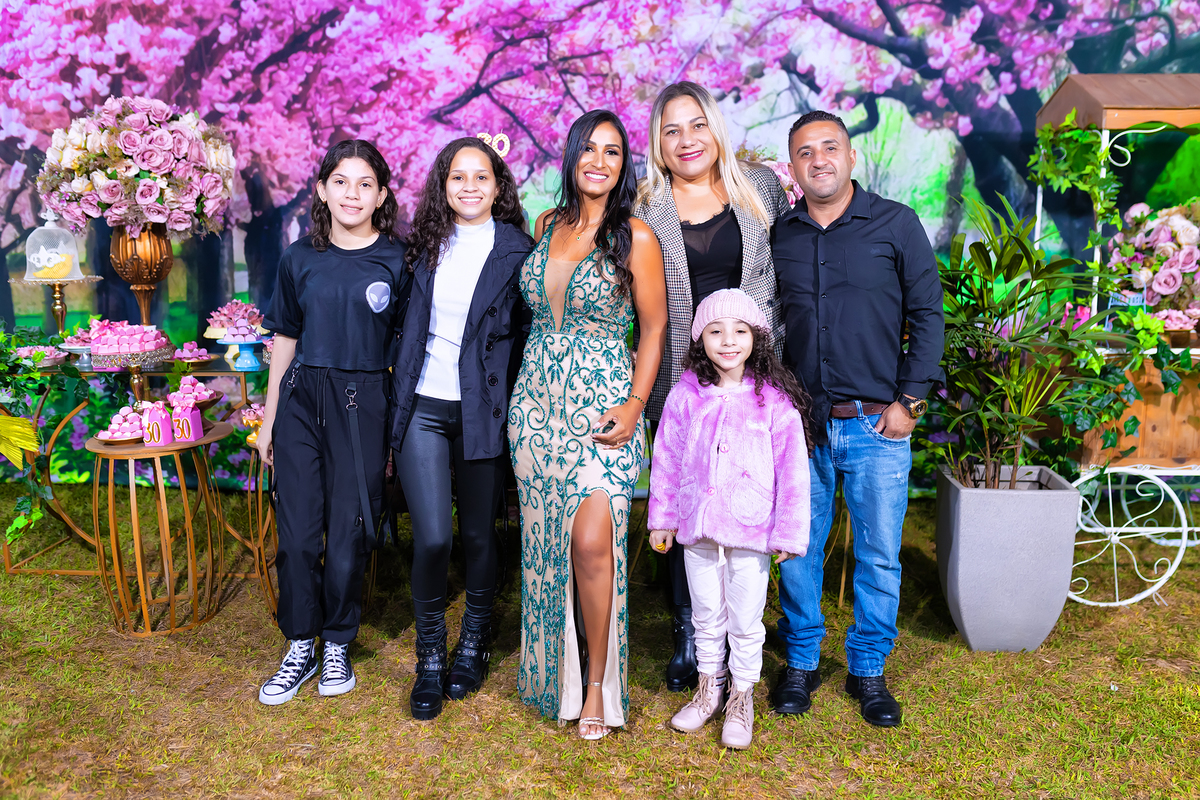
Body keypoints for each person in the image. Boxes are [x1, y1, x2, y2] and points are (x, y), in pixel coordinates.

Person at [771, 110, 945, 728]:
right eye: (805, 152)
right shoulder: (781, 234)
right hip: (802, 424)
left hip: (877, 424)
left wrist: (910, 403)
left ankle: (868, 668)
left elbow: (928, 314)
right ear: (793, 167)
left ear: (850, 156)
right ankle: (801, 661)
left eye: (829, 147)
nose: (818, 160)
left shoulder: (896, 223)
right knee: (798, 548)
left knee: (878, 554)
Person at [509, 109, 668, 740]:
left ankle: (598, 685)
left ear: (624, 164)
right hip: (535, 408)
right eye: (589, 149)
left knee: (593, 543)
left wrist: (635, 405)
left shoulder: (636, 237)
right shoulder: (547, 224)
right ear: (572, 155)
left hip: (603, 407)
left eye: (613, 151)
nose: (599, 161)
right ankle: (555, 676)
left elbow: (654, 327)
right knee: (546, 544)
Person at [634, 81, 791, 693]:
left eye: (697, 124)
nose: (687, 140)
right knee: (687, 500)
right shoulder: (646, 205)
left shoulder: (760, 190)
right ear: (658, 143)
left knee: (746, 495)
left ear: (715, 128)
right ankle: (689, 633)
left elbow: (783, 278)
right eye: (671, 130)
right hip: (681, 378)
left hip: (752, 378)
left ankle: (745, 631)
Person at [256, 139, 409, 705]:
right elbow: (285, 340)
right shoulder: (299, 258)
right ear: (321, 190)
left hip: (363, 402)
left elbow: (408, 347)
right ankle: (301, 642)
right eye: (341, 181)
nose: (352, 194)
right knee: (297, 534)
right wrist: (270, 420)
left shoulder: (399, 261)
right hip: (301, 401)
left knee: (349, 531)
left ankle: (338, 641)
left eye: (365, 184)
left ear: (382, 195)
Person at [391, 137, 534, 721]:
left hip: (483, 409)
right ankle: (430, 656)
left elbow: (528, 337)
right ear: (442, 186)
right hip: (423, 406)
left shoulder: (519, 252)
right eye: (457, 177)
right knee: (432, 539)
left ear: (498, 187)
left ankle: (472, 645)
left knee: (478, 535)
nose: (469, 186)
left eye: (481, 176)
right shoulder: (423, 245)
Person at [648, 289, 811, 750]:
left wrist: (788, 531)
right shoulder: (686, 394)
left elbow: (793, 470)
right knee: (705, 613)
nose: (728, 341)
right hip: (697, 525)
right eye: (716, 331)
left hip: (751, 527)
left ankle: (741, 696)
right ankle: (708, 688)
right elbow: (667, 458)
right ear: (700, 339)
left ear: (756, 338)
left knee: (745, 616)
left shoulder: (774, 401)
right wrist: (663, 517)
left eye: (740, 331)